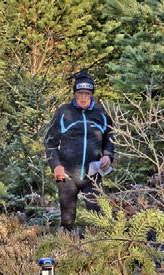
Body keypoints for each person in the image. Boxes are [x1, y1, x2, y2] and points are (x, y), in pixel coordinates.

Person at [44, 70, 114, 236]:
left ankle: (97, 248)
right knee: (67, 217)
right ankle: (65, 246)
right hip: (66, 173)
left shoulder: (101, 114)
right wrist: (56, 166)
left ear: (92, 94)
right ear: (74, 93)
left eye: (87, 94)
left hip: (93, 174)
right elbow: (49, 143)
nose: (83, 97)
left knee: (98, 216)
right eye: (80, 93)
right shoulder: (63, 112)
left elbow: (110, 138)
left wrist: (108, 155)